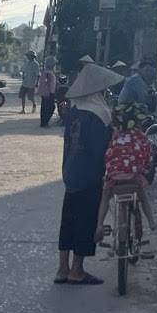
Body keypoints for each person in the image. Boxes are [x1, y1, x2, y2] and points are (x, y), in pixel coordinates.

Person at [55, 63, 123, 285]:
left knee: (68, 220)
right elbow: (100, 150)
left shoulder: (73, 111)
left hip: (70, 172)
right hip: (90, 175)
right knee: (85, 221)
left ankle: (62, 269)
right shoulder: (98, 115)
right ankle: (77, 270)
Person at [95, 102, 157, 244]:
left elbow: (107, 156)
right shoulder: (141, 137)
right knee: (143, 198)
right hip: (133, 178)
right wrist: (146, 168)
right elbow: (147, 158)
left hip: (114, 178)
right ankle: (151, 222)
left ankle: (99, 225)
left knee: (105, 198)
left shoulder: (114, 136)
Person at [37, 57, 58, 128]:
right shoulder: (47, 73)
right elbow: (44, 83)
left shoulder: (49, 72)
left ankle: (44, 122)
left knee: (46, 107)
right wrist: (46, 93)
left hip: (50, 92)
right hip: (48, 93)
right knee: (49, 107)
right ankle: (44, 122)